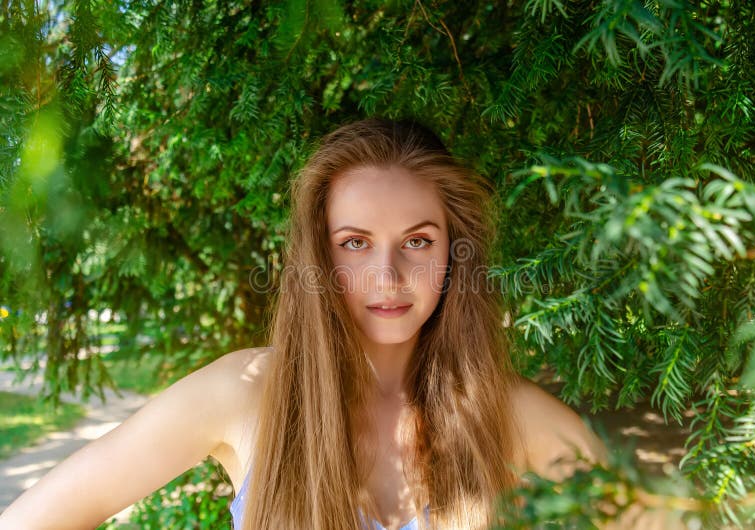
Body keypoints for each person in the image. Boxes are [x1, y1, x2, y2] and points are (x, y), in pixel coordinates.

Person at [0, 118, 654, 530]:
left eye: (419, 241)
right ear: (319, 253)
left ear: (455, 254)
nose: (389, 276)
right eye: (355, 243)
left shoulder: (502, 411)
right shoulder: (247, 393)